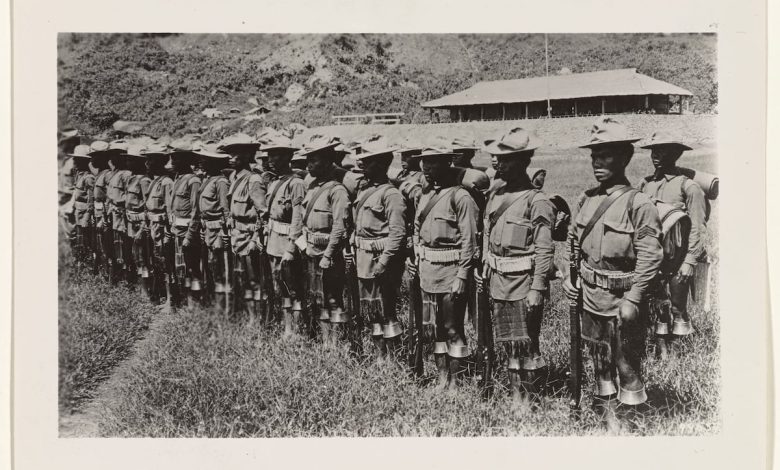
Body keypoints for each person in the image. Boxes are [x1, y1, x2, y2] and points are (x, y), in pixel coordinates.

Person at [562, 117, 663, 432]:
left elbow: (650, 255)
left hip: (623, 301)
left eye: (606, 155)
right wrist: (569, 275)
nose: (597, 162)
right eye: (594, 156)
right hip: (591, 298)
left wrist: (634, 298)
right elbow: (572, 243)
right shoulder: (586, 199)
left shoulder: (638, 203)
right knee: (600, 362)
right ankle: (610, 420)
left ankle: (632, 423)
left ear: (624, 158)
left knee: (626, 363)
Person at [479, 128, 555, 406]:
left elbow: (545, 248)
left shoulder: (538, 201)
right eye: (498, 158)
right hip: (498, 279)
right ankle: (515, 397)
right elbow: (487, 233)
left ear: (523, 161)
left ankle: (530, 399)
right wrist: (487, 264)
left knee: (527, 342)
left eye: (507, 159)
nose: (500, 164)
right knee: (509, 342)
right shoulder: (495, 194)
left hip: (524, 281)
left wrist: (538, 287)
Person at [411, 147, 479, 390]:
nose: (426, 168)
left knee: (452, 328)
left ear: (447, 163)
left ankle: (456, 384)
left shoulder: (460, 197)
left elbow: (469, 240)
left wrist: (463, 275)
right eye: (424, 163)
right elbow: (417, 228)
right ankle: (442, 379)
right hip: (428, 271)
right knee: (435, 330)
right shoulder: (425, 195)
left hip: (451, 272)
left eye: (432, 162)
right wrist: (417, 252)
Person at [639, 132, 707, 355]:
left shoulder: (688, 187)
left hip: (678, 260)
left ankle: (675, 359)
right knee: (658, 305)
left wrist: (689, 261)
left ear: (676, 154)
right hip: (653, 258)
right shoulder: (645, 185)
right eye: (653, 150)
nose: (656, 155)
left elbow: (698, 226)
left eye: (663, 150)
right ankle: (661, 352)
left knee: (677, 307)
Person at [351, 143, 407, 362]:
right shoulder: (364, 190)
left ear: (383, 163)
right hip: (363, 259)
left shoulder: (392, 195)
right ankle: (379, 356)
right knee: (372, 311)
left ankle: (393, 359)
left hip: (382, 261)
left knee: (387, 311)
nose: (362, 163)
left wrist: (383, 262)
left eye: (369, 160)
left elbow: (397, 234)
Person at [300, 137, 351, 345]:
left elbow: (339, 226)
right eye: (308, 160)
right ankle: (324, 341)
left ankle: (335, 344)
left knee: (332, 298)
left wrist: (329, 254)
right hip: (311, 250)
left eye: (314, 160)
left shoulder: (336, 190)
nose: (309, 165)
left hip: (329, 254)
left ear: (329, 161)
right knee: (318, 298)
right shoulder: (311, 186)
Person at [259, 134, 307, 338]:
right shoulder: (273, 181)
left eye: (276, 155)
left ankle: (295, 331)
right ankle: (287, 329)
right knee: (281, 288)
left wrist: (291, 248)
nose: (271, 159)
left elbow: (298, 218)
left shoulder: (295, 183)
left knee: (293, 288)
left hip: (287, 243)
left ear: (288, 157)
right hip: (273, 242)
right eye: (270, 155)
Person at [222, 134, 267, 324]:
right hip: (237, 234)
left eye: (236, 154)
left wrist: (256, 237)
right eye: (230, 154)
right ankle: (249, 317)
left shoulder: (253, 180)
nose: (231, 158)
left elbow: (262, 212)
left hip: (249, 236)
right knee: (244, 279)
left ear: (248, 156)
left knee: (254, 279)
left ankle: (258, 320)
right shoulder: (234, 177)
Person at [194, 146, 232, 314]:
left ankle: (224, 308)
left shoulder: (221, 182)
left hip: (218, 231)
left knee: (220, 269)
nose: (202, 162)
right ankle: (214, 303)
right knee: (210, 267)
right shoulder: (207, 180)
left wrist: (225, 234)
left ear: (215, 162)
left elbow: (225, 210)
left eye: (206, 159)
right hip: (207, 230)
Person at [169, 139, 203, 309]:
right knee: (182, 269)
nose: (172, 162)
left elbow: (196, 211)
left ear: (185, 160)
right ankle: (186, 300)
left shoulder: (193, 181)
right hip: (177, 231)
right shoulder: (178, 179)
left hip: (188, 233)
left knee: (193, 269)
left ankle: (195, 303)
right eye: (172, 158)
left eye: (176, 159)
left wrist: (190, 235)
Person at [143, 144, 175, 309]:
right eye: (147, 159)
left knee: (168, 263)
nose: (148, 162)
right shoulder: (154, 180)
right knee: (158, 262)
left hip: (163, 228)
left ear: (161, 161)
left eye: (152, 159)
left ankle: (171, 301)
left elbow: (170, 210)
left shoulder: (166, 182)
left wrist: (169, 231)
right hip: (154, 226)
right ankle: (164, 297)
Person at [123, 144, 153, 295]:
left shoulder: (144, 180)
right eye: (127, 160)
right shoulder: (131, 179)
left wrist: (143, 227)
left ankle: (146, 291)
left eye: (131, 160)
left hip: (140, 223)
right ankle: (140, 287)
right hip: (131, 222)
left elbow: (148, 206)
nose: (128, 163)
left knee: (143, 257)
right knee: (136, 256)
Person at [106, 139, 132, 282]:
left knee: (124, 244)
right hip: (114, 214)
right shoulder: (113, 174)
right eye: (112, 155)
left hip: (122, 215)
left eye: (117, 155)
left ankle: (127, 276)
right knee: (116, 244)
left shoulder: (126, 174)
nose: (113, 158)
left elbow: (128, 196)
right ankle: (119, 275)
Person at [66, 144, 96, 268]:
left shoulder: (89, 178)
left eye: (77, 159)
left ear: (84, 161)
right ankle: (81, 263)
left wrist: (86, 217)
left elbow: (91, 200)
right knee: (79, 240)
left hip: (84, 214)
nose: (74, 161)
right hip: (78, 213)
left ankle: (90, 265)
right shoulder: (79, 175)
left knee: (88, 241)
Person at [89, 141, 114, 277]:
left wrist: (104, 219)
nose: (92, 160)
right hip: (97, 213)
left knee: (106, 246)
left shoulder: (108, 175)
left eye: (96, 156)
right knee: (98, 245)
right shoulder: (99, 174)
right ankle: (101, 272)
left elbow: (110, 199)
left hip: (104, 216)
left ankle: (109, 275)